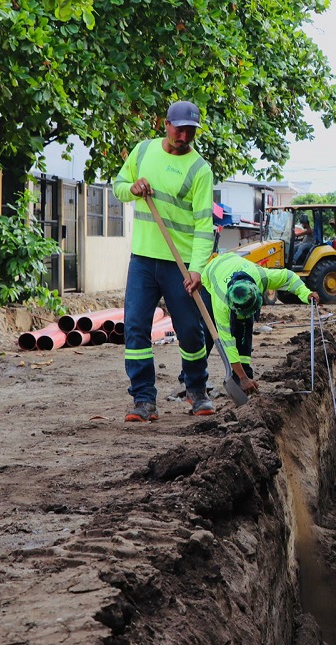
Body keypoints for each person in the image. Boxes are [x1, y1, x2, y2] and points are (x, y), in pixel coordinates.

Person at [113, 100, 216, 422]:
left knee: (190, 330)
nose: (184, 136)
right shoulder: (142, 152)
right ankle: (143, 399)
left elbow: (203, 225)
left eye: (190, 131)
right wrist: (132, 187)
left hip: (181, 263)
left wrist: (197, 268)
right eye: (179, 128)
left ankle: (196, 390)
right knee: (135, 329)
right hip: (143, 260)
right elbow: (117, 188)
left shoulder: (200, 170)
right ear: (166, 124)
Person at [199, 252, 319, 393]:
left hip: (233, 264)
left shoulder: (262, 277)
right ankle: (194, 376)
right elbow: (227, 343)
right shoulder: (221, 302)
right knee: (208, 331)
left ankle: (244, 374)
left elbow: (289, 277)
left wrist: (306, 294)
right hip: (210, 276)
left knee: (245, 326)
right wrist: (243, 378)